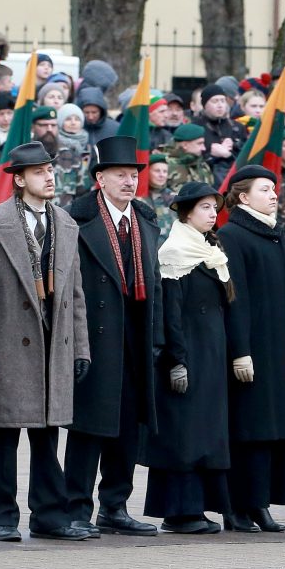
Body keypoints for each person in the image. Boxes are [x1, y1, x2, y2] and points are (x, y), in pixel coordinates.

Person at [0, 143, 90, 542]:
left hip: (53, 342)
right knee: (4, 436)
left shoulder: (66, 223)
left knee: (47, 435)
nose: (49, 178)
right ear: (19, 179)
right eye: (40, 172)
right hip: (8, 346)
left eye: (50, 171)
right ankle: (3, 517)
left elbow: (75, 294)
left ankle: (48, 515)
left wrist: (80, 348)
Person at [64, 136, 163, 537]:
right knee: (89, 426)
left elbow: (154, 282)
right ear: (100, 178)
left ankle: (115, 505)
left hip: (136, 335)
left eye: (134, 174)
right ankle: (75, 508)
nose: (129, 181)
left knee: (126, 426)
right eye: (120, 174)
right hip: (94, 337)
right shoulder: (77, 218)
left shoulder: (144, 219)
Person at [142, 182, 232, 535]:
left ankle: (196, 508)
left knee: (204, 433)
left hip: (210, 355)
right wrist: (176, 360)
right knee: (185, 436)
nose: (213, 214)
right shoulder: (175, 251)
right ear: (187, 213)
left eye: (214, 207)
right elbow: (171, 313)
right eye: (206, 208)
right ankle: (180, 511)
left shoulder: (208, 248)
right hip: (188, 356)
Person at [218, 166, 285, 533]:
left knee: (272, 431)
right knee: (247, 430)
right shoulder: (233, 236)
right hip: (251, 350)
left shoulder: (274, 236)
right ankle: (237, 505)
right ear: (243, 197)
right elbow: (237, 299)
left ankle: (261, 503)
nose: (273, 194)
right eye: (264, 189)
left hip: (277, 349)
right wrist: (240, 350)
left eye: (274, 189)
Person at [197, 85, 248, 188]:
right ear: (205, 105)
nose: (220, 105)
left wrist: (228, 153)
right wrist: (211, 155)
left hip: (234, 182)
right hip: (206, 182)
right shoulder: (196, 127)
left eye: (223, 101)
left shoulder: (237, 127)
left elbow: (246, 157)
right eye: (215, 101)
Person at [166, 123, 214, 191]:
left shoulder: (202, 165)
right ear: (185, 145)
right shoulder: (165, 165)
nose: (204, 148)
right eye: (199, 143)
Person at [144, 153, 175, 244]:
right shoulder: (140, 198)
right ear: (147, 171)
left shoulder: (173, 197)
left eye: (165, 171)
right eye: (157, 171)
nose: (162, 175)